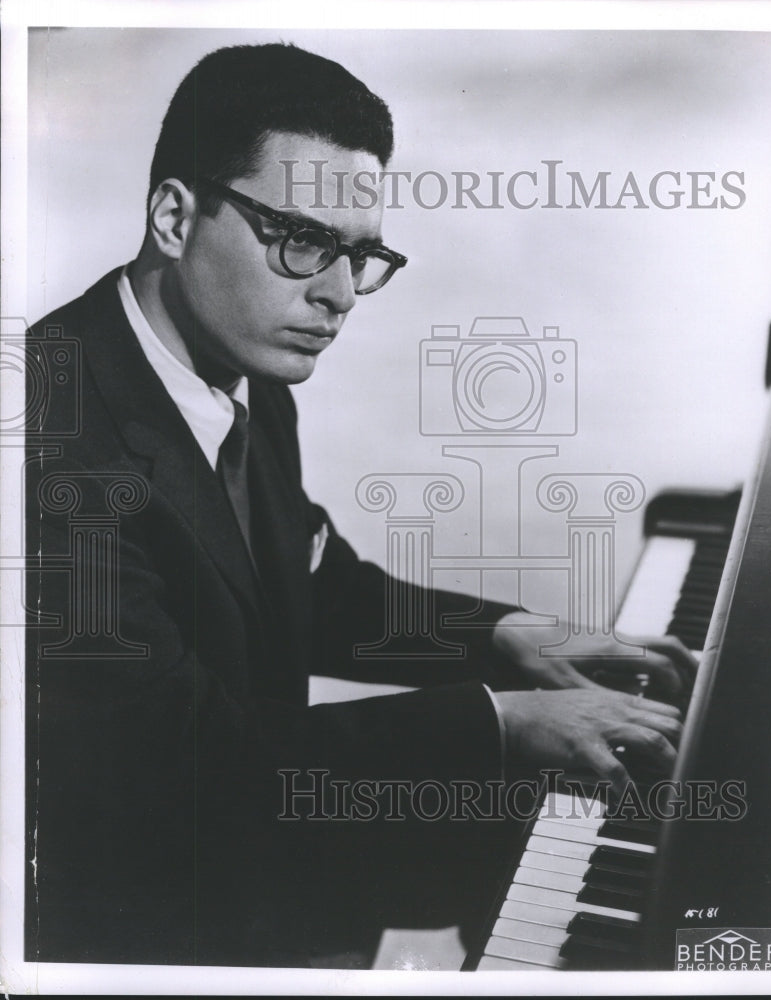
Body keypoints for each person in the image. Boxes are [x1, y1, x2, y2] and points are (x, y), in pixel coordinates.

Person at [25, 42, 693, 969]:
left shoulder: (247, 381)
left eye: (358, 253)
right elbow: (181, 758)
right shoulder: (46, 439)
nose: (337, 295)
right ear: (175, 217)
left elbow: (309, 586)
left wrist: (508, 638)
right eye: (299, 240)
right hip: (123, 918)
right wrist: (499, 723)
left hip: (239, 827)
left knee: (578, 839)